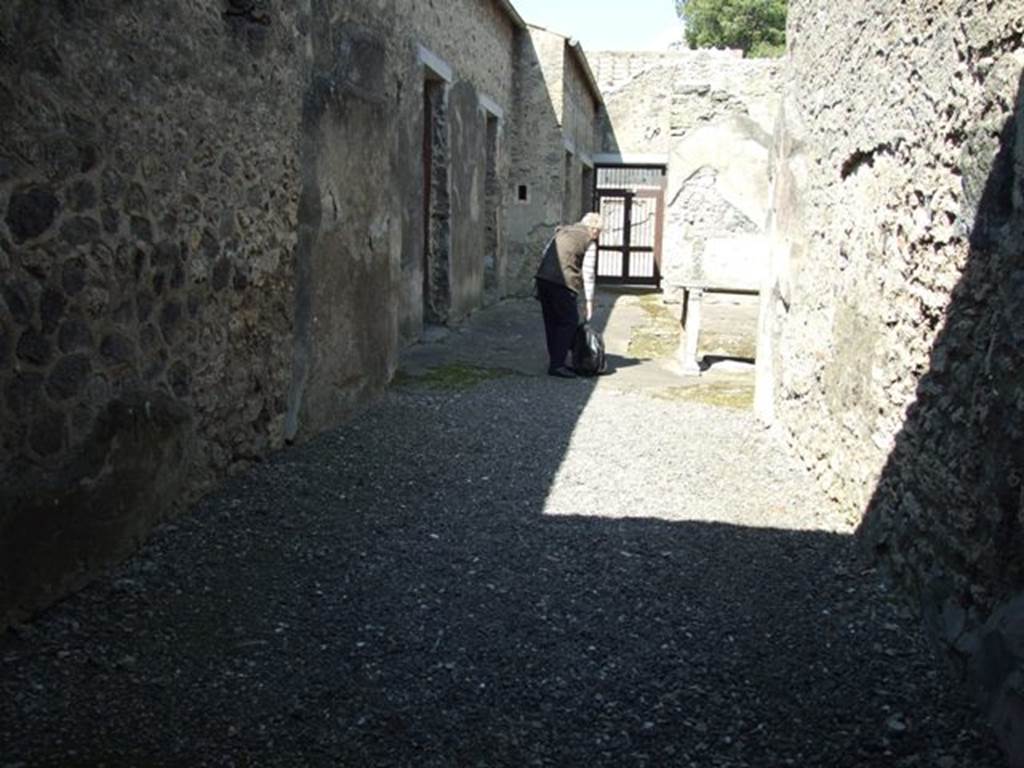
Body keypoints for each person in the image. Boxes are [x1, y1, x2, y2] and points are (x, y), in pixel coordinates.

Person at [534, 212, 602, 378]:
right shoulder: (589, 241)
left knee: (551, 321)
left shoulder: (562, 231)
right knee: (569, 322)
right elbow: (588, 273)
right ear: (594, 229)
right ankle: (557, 365)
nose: (598, 236)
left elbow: (545, 253)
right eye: (599, 232)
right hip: (564, 283)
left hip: (543, 279)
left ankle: (556, 361)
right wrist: (589, 300)